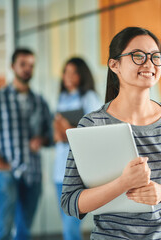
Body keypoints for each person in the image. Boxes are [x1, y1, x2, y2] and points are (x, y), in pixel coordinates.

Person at [61, 27, 161, 239]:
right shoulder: (92, 124)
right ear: (114, 64)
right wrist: (123, 183)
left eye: (155, 57)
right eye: (138, 56)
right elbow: (71, 202)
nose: (149, 64)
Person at [0, 48, 52, 240]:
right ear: (12, 67)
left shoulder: (39, 101)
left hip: (33, 174)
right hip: (7, 173)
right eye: (23, 64)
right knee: (3, 230)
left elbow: (50, 135)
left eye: (31, 65)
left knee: (24, 232)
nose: (28, 69)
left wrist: (42, 140)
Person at [53, 57, 101, 240]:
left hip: (78, 171)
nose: (68, 76)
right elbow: (57, 135)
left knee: (70, 229)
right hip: (59, 170)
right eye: (66, 71)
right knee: (67, 227)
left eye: (74, 72)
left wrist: (66, 128)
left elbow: (95, 134)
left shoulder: (88, 98)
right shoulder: (62, 98)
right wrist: (59, 132)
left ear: (82, 75)